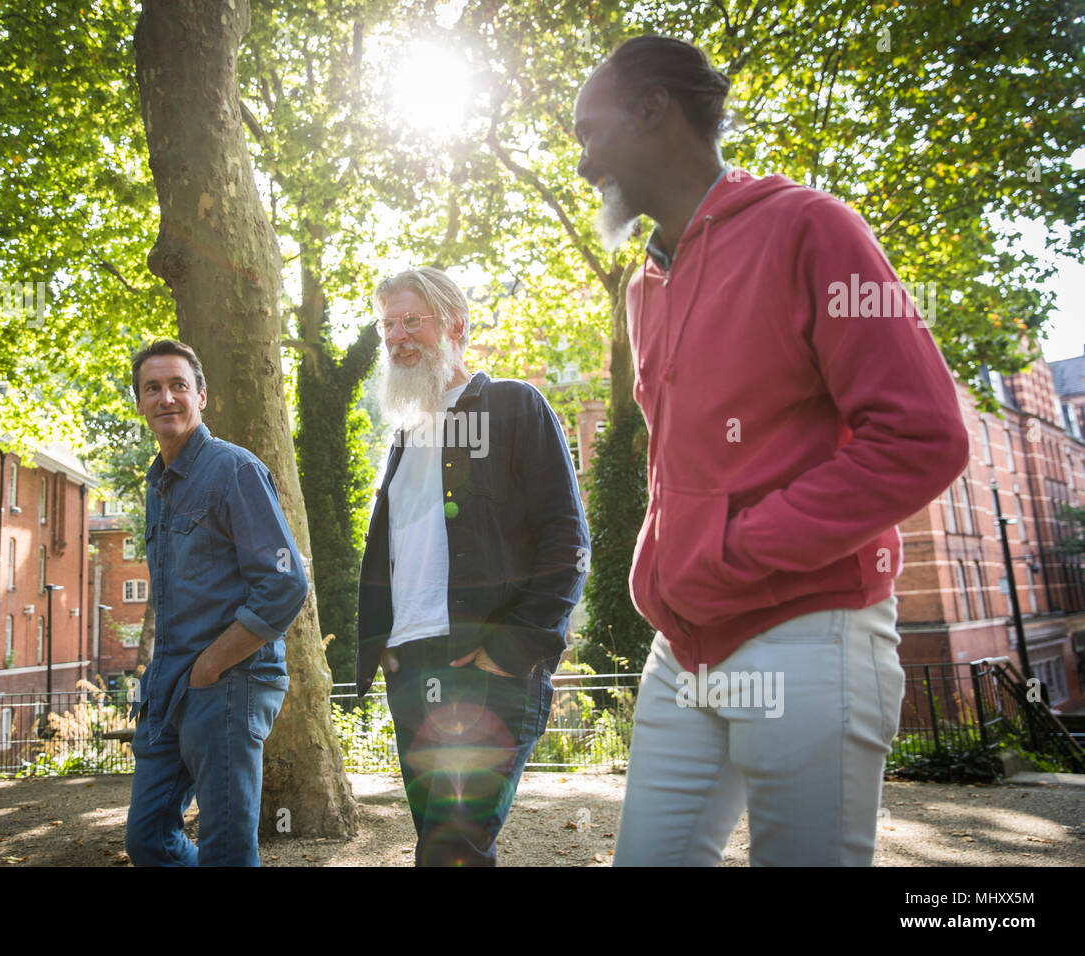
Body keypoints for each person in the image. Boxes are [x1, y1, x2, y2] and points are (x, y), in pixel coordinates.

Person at [572, 36, 969, 865]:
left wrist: (738, 549)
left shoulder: (809, 228)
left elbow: (921, 439)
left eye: (589, 133)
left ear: (654, 111)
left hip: (811, 630)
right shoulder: (644, 286)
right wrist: (674, 566)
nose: (582, 165)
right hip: (682, 644)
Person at [356, 267, 590, 866]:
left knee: (451, 849)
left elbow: (567, 539)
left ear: (456, 325)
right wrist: (385, 644)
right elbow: (394, 553)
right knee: (440, 849)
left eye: (412, 320)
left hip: (485, 665)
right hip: (410, 667)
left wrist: (514, 648)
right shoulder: (403, 438)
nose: (397, 335)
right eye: (388, 324)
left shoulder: (513, 405)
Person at [123, 339, 308, 866]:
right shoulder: (157, 483)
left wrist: (210, 664)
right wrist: (178, 672)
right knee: (146, 840)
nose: (166, 398)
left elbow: (286, 582)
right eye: (152, 388)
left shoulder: (233, 470)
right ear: (139, 403)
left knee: (226, 848)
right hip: (169, 684)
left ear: (201, 396)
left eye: (178, 385)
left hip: (230, 681)